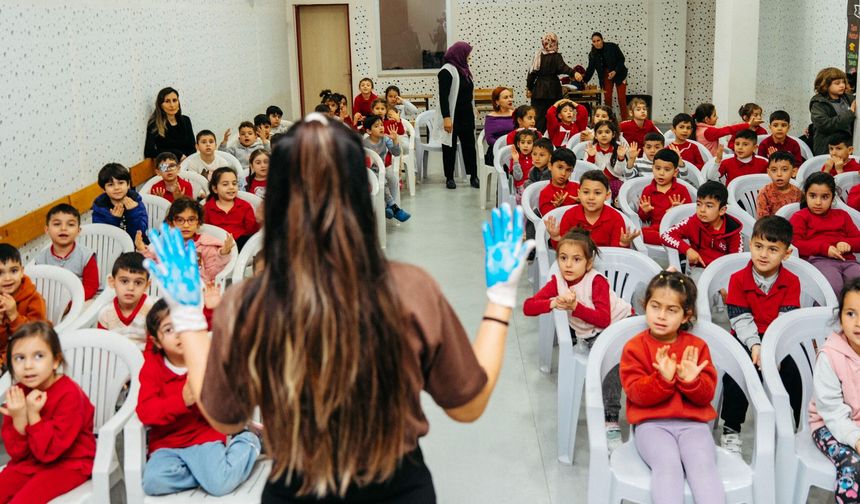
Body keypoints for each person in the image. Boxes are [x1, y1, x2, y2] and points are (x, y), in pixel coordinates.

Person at [142, 116, 535, 502]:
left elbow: (224, 417)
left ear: (274, 199)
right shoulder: (411, 289)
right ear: (360, 193)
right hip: (398, 487)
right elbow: (468, 407)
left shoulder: (249, 303)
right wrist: (500, 298)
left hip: (295, 487)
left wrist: (189, 316)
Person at [137, 300, 261, 496]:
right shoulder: (152, 367)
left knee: (220, 485)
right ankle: (203, 474)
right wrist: (182, 400)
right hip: (167, 444)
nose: (179, 333)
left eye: (182, 326)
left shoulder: (204, 360)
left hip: (203, 439)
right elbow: (146, 412)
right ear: (157, 342)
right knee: (153, 482)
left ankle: (249, 440)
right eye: (169, 329)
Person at [620, 271, 724, 504]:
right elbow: (635, 394)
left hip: (694, 426)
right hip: (651, 425)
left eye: (672, 310)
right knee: (668, 466)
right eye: (655, 306)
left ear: (686, 315)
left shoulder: (697, 347)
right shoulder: (634, 348)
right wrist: (662, 380)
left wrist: (691, 381)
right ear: (645, 305)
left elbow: (706, 396)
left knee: (703, 468)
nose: (661, 316)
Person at [524, 229, 631, 449]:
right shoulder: (557, 282)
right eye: (563, 258)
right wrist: (552, 303)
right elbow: (528, 307)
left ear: (588, 263)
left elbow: (603, 319)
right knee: (611, 368)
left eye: (576, 259)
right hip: (594, 338)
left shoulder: (596, 281)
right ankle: (610, 420)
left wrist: (575, 307)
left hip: (620, 328)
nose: (568, 265)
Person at [721, 216, 801, 455]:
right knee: (735, 376)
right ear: (750, 245)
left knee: (794, 377)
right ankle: (731, 429)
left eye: (773, 249)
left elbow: (785, 320)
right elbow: (740, 318)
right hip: (746, 337)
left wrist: (771, 350)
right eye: (758, 246)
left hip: (778, 338)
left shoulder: (791, 281)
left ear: (786, 254)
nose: (763, 254)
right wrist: (756, 346)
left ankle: (796, 428)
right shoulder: (738, 279)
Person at [0, 322, 96, 503]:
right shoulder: (18, 392)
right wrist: (19, 418)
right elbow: (17, 455)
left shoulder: (70, 395)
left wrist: (34, 417)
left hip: (68, 464)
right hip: (30, 463)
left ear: (56, 361)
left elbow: (50, 453)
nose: (28, 366)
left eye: (38, 356)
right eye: (19, 358)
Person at [809, 278, 860, 504]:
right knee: (853, 465)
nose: (858, 323)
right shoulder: (830, 355)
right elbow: (831, 411)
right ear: (840, 317)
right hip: (828, 425)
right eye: (851, 313)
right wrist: (856, 440)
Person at [789, 171, 860, 295]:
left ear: (833, 197)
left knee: (857, 286)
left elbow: (858, 240)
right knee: (833, 287)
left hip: (848, 261)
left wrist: (847, 243)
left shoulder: (842, 215)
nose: (818, 202)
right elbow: (795, 243)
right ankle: (829, 313)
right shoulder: (800, 216)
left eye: (825, 197)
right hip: (818, 261)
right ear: (805, 195)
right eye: (813, 196)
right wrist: (824, 248)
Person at [661, 181, 743, 281]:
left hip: (723, 272)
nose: (702, 210)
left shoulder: (733, 230)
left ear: (722, 210)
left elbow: (736, 261)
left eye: (709, 206)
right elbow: (666, 235)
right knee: (698, 286)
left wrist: (722, 281)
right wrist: (687, 249)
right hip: (700, 269)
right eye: (699, 204)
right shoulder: (693, 222)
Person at [544, 170, 640, 249]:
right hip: (576, 265)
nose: (591, 197)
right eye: (586, 192)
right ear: (579, 193)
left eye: (597, 193)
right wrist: (555, 237)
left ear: (607, 195)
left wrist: (623, 244)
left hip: (606, 266)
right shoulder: (570, 215)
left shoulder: (616, 219)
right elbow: (562, 250)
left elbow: (616, 255)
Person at [434, 41, 479, 189]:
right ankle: (449, 177)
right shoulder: (446, 71)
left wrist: (474, 108)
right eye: (467, 54)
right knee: (449, 147)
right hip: (452, 116)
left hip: (466, 114)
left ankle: (474, 176)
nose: (469, 57)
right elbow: (443, 97)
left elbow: (468, 93)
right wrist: (447, 118)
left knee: (469, 146)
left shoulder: (465, 70)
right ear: (459, 54)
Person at [34, 204, 99, 301]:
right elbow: (39, 287)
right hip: (52, 301)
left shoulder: (86, 256)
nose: (63, 228)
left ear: (78, 230)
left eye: (71, 224)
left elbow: (91, 286)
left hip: (81, 299)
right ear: (47, 230)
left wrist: (70, 303)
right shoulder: (41, 259)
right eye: (57, 224)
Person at [0, 244, 47, 370]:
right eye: (0, 273)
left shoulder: (34, 299)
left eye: (13, 271)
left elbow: (36, 336)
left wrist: (14, 316)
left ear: (22, 271)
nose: (7, 278)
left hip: (27, 353)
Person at [98, 252, 153, 351]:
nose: (131, 288)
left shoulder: (152, 311)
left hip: (145, 362)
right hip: (115, 361)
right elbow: (102, 348)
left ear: (147, 285)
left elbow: (154, 349)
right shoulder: (105, 313)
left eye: (138, 282)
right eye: (124, 281)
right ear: (112, 282)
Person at [527, 33, 580, 132]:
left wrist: (529, 88)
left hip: (539, 91)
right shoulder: (556, 56)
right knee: (554, 118)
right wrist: (574, 72)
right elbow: (563, 67)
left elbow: (531, 74)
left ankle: (539, 141)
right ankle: (554, 142)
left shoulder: (538, 55)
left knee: (538, 119)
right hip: (554, 91)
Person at [638, 149, 691, 245]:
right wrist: (645, 211)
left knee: (689, 235)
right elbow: (642, 218)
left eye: (667, 170)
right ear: (652, 168)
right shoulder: (648, 190)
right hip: (656, 229)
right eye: (658, 168)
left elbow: (690, 217)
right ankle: (673, 243)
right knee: (639, 234)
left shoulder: (681, 189)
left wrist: (677, 212)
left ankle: (673, 242)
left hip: (676, 229)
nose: (661, 173)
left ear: (675, 172)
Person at [363, 115, 411, 222]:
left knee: (393, 180)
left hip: (382, 169)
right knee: (382, 180)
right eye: (376, 126)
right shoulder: (364, 143)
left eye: (381, 125)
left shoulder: (385, 139)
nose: (381, 128)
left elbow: (396, 153)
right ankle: (394, 208)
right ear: (369, 131)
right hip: (369, 172)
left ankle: (390, 207)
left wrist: (395, 140)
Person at [202, 167, 260, 250]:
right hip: (217, 246)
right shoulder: (207, 208)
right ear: (215, 189)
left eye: (234, 183)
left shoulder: (245, 206)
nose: (231, 187)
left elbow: (252, 230)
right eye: (225, 184)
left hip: (241, 245)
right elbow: (205, 231)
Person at [91, 163, 149, 244]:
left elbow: (140, 232)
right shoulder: (100, 209)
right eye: (110, 185)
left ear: (128, 184)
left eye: (121, 183)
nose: (117, 188)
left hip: (137, 246)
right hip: (113, 250)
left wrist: (133, 212)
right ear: (104, 189)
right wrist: (114, 219)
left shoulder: (136, 203)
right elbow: (103, 238)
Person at [579, 33, 630, 120]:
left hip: (619, 73)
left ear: (602, 39)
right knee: (607, 100)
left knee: (621, 99)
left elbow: (622, 59)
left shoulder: (612, 46)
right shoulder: (592, 54)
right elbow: (590, 69)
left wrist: (615, 71)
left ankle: (625, 121)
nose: (597, 43)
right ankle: (608, 120)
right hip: (605, 76)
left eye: (598, 40)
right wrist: (583, 81)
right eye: (594, 41)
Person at [810, 67, 857, 156]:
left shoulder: (848, 98)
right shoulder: (818, 103)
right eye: (837, 83)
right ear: (825, 85)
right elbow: (825, 125)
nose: (842, 85)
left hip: (847, 148)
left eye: (843, 82)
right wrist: (850, 113)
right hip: (828, 149)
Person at [585, 120, 633, 199]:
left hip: (614, 180)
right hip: (595, 180)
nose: (604, 135)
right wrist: (591, 157)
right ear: (595, 136)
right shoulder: (591, 148)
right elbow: (588, 171)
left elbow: (619, 172)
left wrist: (621, 158)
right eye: (600, 133)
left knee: (618, 189)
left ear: (613, 134)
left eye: (607, 132)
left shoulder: (618, 148)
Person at [144, 87, 196, 160]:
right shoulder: (154, 124)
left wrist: (187, 161)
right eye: (167, 101)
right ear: (160, 105)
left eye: (174, 100)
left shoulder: (186, 120)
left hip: (187, 163)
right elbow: (149, 152)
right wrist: (176, 154)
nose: (172, 105)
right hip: (168, 164)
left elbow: (192, 148)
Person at [694, 102, 761, 157]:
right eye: (714, 115)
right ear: (706, 119)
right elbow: (729, 129)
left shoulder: (698, 128)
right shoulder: (708, 132)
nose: (717, 117)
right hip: (710, 161)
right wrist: (748, 124)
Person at [756, 151, 802, 218]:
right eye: (774, 170)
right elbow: (763, 219)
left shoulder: (798, 193)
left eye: (784, 169)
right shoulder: (764, 193)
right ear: (769, 172)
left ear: (793, 172)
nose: (779, 174)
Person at [537, 146, 578, 215]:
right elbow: (545, 217)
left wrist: (583, 202)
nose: (563, 173)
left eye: (568, 170)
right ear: (550, 166)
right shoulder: (545, 193)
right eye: (560, 167)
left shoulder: (578, 188)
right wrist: (555, 206)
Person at [483, 87, 516, 166]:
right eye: (506, 97)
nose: (510, 99)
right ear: (497, 101)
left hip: (514, 148)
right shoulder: (491, 117)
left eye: (511, 96)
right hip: (497, 149)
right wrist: (503, 146)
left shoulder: (516, 114)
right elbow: (489, 139)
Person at [511, 129, 539, 204]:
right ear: (518, 144)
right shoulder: (515, 158)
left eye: (529, 143)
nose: (525, 145)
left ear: (534, 144)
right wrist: (516, 161)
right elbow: (518, 177)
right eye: (522, 142)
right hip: (522, 188)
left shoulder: (536, 157)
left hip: (535, 186)